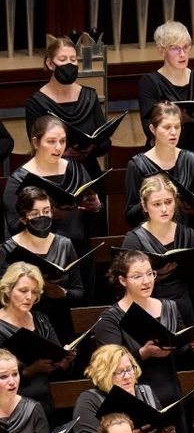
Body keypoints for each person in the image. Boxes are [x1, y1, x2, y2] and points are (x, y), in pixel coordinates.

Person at [92, 250, 191, 426]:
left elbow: (182, 349)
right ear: (123, 280)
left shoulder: (169, 307)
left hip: (172, 392)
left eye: (150, 274)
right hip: (137, 401)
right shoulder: (110, 319)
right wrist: (143, 353)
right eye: (137, 276)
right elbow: (108, 366)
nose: (146, 281)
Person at [136, 21, 194, 186]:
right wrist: (181, 120)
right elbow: (149, 128)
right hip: (162, 161)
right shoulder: (149, 82)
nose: (182, 54)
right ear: (161, 50)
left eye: (186, 47)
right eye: (175, 48)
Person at [2, 115, 102, 257]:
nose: (58, 147)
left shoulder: (76, 169)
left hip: (78, 250)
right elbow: (13, 226)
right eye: (51, 141)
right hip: (39, 255)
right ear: (36, 143)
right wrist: (50, 214)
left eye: (62, 141)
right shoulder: (19, 179)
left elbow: (92, 220)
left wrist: (96, 207)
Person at [120, 174, 194, 325]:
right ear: (144, 206)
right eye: (156, 204)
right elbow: (123, 287)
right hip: (149, 315)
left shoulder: (189, 235)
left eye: (168, 202)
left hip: (185, 312)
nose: (164, 209)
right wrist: (153, 277)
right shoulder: (133, 240)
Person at [71, 344, 177, 433]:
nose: (127, 376)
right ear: (104, 374)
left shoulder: (145, 391)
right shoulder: (90, 400)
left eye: (129, 369)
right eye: (119, 372)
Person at [0, 184, 84, 339]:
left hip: (60, 321)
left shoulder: (64, 244)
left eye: (46, 211)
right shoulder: (7, 249)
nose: (42, 217)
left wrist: (63, 293)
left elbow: (79, 291)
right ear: (23, 218)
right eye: (35, 213)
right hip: (23, 325)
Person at [26, 37, 111, 181]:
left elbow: (105, 142)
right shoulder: (36, 102)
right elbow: (36, 145)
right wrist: (64, 152)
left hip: (89, 172)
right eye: (63, 59)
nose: (69, 64)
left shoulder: (89, 95)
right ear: (50, 63)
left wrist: (91, 149)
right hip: (54, 175)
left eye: (73, 59)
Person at [0, 262, 69, 413]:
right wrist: (31, 370)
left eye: (34, 292)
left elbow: (56, 359)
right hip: (10, 405)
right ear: (7, 290)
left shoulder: (41, 319)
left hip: (44, 401)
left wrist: (64, 360)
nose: (29, 297)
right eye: (23, 291)